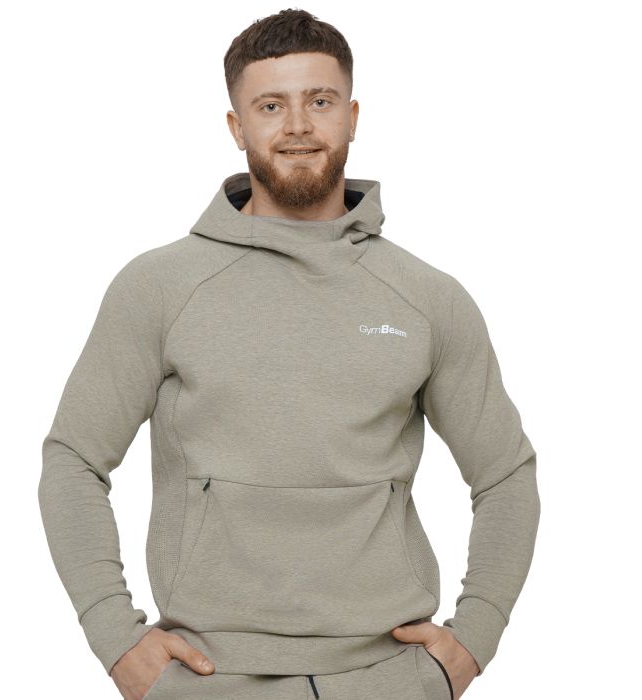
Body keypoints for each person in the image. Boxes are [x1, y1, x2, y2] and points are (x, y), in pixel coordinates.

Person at [38, 9, 540, 700]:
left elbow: (505, 473)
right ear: (237, 127)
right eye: (271, 106)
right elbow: (74, 458)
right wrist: (115, 638)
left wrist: (474, 637)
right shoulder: (159, 287)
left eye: (320, 101)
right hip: (207, 678)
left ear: (353, 117)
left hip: (390, 677)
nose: (298, 125)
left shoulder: (427, 298)